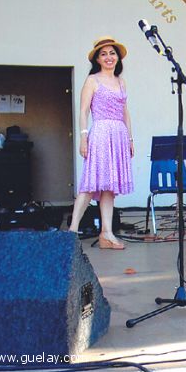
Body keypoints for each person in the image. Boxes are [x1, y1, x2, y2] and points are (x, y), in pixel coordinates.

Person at [68, 36, 135, 249]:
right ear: (97, 58)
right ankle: (71, 232)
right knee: (91, 183)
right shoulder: (92, 80)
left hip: (119, 134)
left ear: (118, 57)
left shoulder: (121, 82)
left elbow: (126, 113)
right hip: (100, 133)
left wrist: (131, 139)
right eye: (104, 54)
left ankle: (107, 233)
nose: (109, 57)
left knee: (109, 187)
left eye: (112, 53)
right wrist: (83, 136)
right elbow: (83, 111)